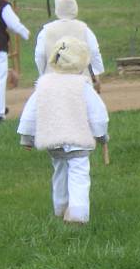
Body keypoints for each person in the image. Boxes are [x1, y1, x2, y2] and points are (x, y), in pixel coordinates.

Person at [17, 37, 109, 224]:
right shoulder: (82, 86)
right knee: (79, 174)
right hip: (78, 139)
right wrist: (102, 135)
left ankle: (60, 207)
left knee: (59, 172)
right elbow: (97, 113)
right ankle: (77, 214)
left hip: (54, 138)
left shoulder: (44, 85)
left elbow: (30, 112)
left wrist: (27, 137)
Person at [35, 0, 104, 91]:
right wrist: (96, 73)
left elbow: (40, 55)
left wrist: (43, 73)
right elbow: (94, 51)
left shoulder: (46, 31)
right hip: (81, 81)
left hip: (52, 81)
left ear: (57, 10)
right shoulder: (84, 29)